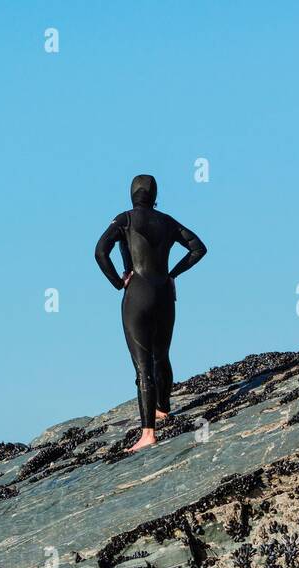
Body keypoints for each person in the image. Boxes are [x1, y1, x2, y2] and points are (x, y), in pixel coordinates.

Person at [95, 174, 206, 452]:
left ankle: (148, 434)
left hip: (138, 294)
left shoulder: (125, 220)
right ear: (154, 195)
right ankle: (163, 408)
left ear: (132, 194)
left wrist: (119, 282)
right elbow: (198, 248)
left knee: (143, 365)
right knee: (162, 355)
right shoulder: (168, 221)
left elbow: (100, 252)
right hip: (165, 294)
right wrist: (172, 274)